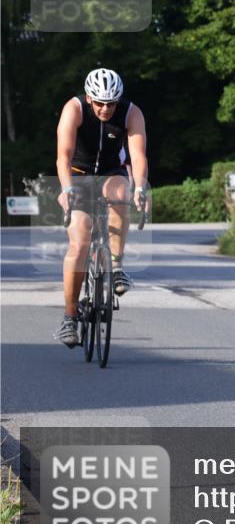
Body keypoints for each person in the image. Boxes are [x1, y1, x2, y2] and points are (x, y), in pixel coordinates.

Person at [53, 68, 149, 347]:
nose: (106, 109)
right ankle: (70, 317)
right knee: (80, 242)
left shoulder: (131, 113)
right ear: (89, 98)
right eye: (100, 103)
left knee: (122, 192)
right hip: (77, 173)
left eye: (111, 103)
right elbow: (63, 155)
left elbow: (138, 155)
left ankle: (116, 266)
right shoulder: (74, 109)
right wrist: (66, 188)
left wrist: (140, 186)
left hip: (111, 170)